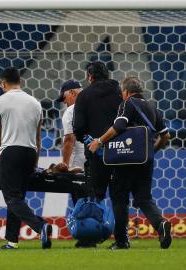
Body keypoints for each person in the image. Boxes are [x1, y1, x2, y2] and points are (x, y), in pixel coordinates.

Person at [88, 77, 172, 250]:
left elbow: (119, 126)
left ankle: (121, 241)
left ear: (125, 92)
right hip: (145, 161)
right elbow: (165, 136)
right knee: (144, 198)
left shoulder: (128, 104)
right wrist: (151, 152)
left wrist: (100, 141)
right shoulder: (152, 107)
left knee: (119, 198)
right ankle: (161, 224)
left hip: (125, 160)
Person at [0, 67, 52, 250]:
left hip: (11, 151)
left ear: (3, 83)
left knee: (12, 198)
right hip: (30, 152)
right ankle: (12, 241)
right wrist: (34, 161)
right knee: (17, 198)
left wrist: (1, 147)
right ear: (19, 81)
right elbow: (39, 137)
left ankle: (40, 226)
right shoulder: (35, 103)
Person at [73, 61, 122, 201]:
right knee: (120, 197)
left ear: (90, 76)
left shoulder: (84, 96)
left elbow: (78, 127)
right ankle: (120, 223)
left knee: (95, 196)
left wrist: (89, 141)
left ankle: (97, 223)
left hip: (95, 154)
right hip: (121, 152)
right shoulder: (119, 92)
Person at [55, 79, 85, 172]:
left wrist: (65, 165)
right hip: (95, 162)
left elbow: (69, 139)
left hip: (76, 165)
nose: (64, 102)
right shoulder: (94, 106)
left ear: (72, 93)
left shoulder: (71, 110)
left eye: (64, 98)